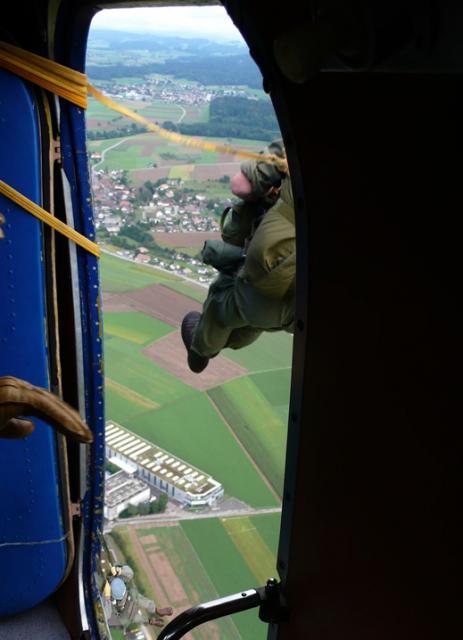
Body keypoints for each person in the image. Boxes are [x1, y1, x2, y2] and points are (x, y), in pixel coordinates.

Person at [181, 141, 295, 373]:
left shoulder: (290, 154)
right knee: (256, 317)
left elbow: (240, 185)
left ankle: (200, 351)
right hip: (297, 310)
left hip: (263, 282)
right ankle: (221, 342)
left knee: (224, 302)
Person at [102, 564, 173, 630]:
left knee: (133, 611)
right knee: (128, 616)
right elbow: (106, 615)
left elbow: (130, 573)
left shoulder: (115, 575)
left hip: (128, 600)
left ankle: (153, 615)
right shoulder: (104, 594)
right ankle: (154, 614)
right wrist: (107, 597)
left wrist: (119, 570)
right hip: (123, 609)